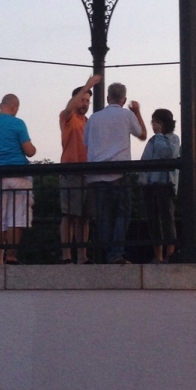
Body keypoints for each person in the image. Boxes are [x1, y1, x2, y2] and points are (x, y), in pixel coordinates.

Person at [84, 82, 146, 263]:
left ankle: (105, 253)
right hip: (119, 173)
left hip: (96, 174)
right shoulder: (127, 115)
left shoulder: (94, 118)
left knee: (103, 216)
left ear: (107, 98)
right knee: (122, 215)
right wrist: (137, 112)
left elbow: (86, 142)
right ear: (124, 99)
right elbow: (142, 134)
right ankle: (115, 253)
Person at [0, 94, 36, 265]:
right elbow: (30, 151)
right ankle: (11, 256)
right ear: (14, 107)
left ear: (0, 105)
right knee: (17, 218)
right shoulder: (18, 123)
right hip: (19, 174)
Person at [59, 75, 102, 263]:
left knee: (84, 217)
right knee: (69, 215)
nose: (85, 104)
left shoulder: (88, 122)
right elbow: (69, 108)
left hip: (88, 173)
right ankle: (66, 255)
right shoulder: (68, 118)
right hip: (71, 172)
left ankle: (82, 256)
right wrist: (87, 86)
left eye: (87, 101)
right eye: (82, 100)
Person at [140, 109, 180, 262]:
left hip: (165, 184)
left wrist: (159, 135)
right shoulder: (151, 141)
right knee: (153, 221)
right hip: (150, 185)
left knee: (167, 219)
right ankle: (158, 256)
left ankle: (170, 254)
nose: (153, 125)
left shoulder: (173, 139)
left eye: (156, 121)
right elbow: (144, 161)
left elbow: (168, 154)